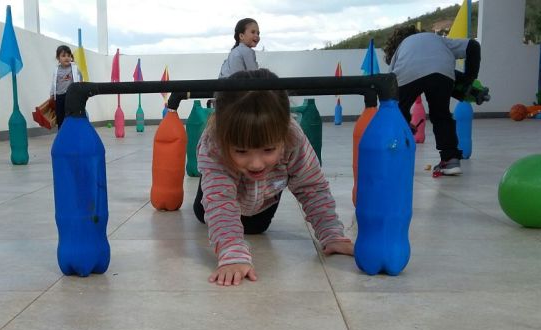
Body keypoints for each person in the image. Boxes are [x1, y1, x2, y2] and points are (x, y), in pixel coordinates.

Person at [194, 69, 354, 287]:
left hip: (265, 197)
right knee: (204, 212)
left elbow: (312, 188)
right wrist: (232, 252)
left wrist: (331, 234)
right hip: (223, 187)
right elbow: (219, 200)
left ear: (283, 134)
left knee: (256, 227)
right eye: (241, 151)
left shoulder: (293, 138)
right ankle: (210, 195)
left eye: (268, 149)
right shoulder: (214, 146)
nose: (256, 164)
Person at [384, 25, 482, 176]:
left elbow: (390, 90)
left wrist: (404, 122)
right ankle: (450, 160)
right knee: (441, 115)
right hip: (442, 70)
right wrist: (469, 79)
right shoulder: (437, 39)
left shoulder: (401, 48)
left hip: (407, 72)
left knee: (396, 112)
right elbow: (473, 45)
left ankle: (397, 158)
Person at [49, 45, 76, 128]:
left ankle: (71, 131)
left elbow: (80, 79)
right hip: (59, 96)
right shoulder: (56, 70)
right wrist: (52, 94)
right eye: (63, 56)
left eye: (68, 55)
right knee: (60, 116)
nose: (66, 58)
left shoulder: (74, 68)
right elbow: (54, 82)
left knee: (71, 115)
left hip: (70, 96)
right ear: (58, 58)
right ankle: (61, 132)